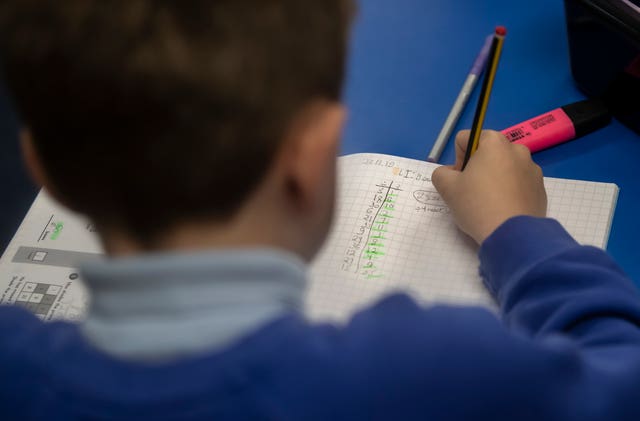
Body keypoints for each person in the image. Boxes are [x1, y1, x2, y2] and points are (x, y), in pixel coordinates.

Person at [1, 1, 640, 420]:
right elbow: (622, 376)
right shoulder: (425, 371)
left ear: (45, 172)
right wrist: (517, 232)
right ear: (310, 161)